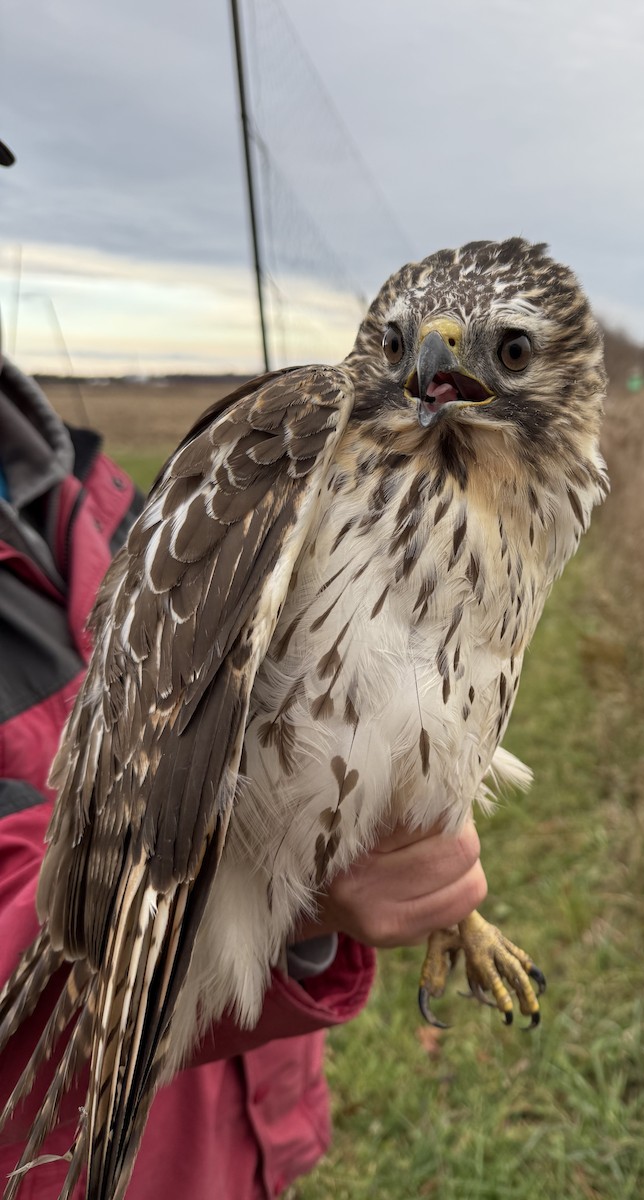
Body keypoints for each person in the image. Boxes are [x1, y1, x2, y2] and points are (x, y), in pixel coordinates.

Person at [0, 137, 487, 1198]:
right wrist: (290, 890)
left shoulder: (80, 487)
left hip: (231, 1147)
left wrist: (325, 894)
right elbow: (136, 868)